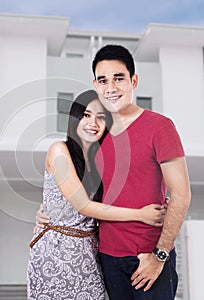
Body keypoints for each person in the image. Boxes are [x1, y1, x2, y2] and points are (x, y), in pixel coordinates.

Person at [27, 90, 166, 300]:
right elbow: (83, 206)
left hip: (89, 253)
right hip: (56, 254)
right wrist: (141, 214)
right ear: (74, 118)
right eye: (86, 115)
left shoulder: (99, 161)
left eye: (101, 117)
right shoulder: (59, 150)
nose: (93, 123)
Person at [91, 44, 191, 299]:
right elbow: (85, 192)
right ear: (95, 85)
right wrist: (47, 212)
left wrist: (159, 257)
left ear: (134, 81)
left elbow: (181, 195)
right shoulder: (95, 134)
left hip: (148, 256)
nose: (110, 87)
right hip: (107, 256)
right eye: (103, 80)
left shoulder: (160, 127)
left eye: (119, 78)